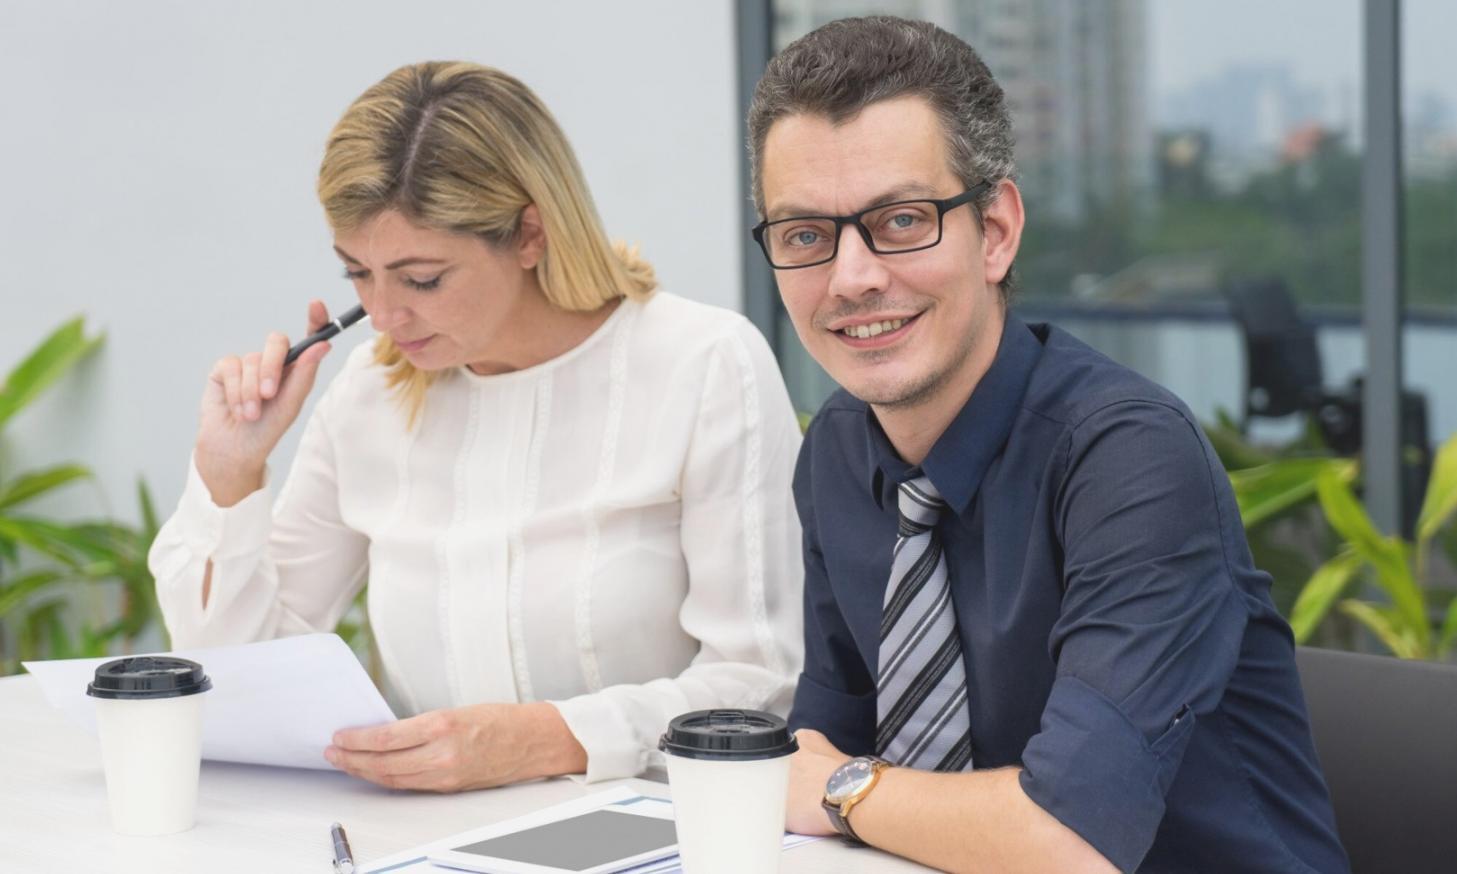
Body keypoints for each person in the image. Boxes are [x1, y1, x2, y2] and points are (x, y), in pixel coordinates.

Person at [749, 17, 1349, 874]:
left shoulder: (1129, 458)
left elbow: (1070, 840)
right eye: (804, 235)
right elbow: (811, 759)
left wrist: (844, 789)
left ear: (994, 231)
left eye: (901, 220)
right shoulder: (840, 451)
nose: (851, 278)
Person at [149, 61, 804, 792]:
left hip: (663, 836)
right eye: (357, 275)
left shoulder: (705, 365)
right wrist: (229, 472)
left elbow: (761, 679)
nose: (387, 316)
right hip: (426, 843)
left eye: (422, 279)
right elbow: (237, 682)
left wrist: (554, 739)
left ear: (530, 233)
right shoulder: (369, 394)